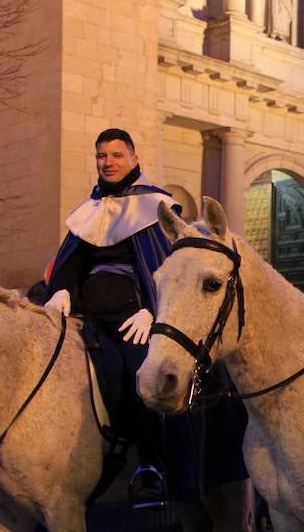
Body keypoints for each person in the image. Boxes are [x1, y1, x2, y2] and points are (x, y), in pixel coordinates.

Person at [45, 128, 246, 508]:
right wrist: (62, 289)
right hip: (86, 314)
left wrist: (151, 311)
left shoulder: (156, 207)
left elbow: (170, 269)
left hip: (134, 317)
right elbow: (73, 262)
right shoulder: (91, 209)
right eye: (102, 156)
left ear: (134, 159)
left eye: (117, 155)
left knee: (142, 375)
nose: (108, 163)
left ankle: (150, 466)